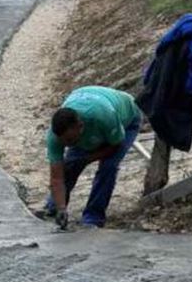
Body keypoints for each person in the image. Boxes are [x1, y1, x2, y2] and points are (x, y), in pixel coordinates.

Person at [38, 86, 142, 228]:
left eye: (70, 141)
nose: (66, 145)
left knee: (108, 167)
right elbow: (57, 177)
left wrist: (89, 158)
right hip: (92, 117)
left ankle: (93, 218)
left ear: (80, 126)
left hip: (126, 119)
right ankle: (55, 209)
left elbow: (115, 145)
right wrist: (61, 208)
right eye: (63, 142)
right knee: (70, 165)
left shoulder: (103, 117)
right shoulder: (55, 137)